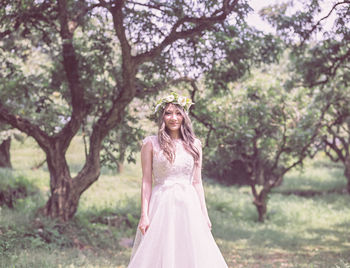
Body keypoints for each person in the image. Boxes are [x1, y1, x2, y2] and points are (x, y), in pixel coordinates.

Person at [128, 92, 228, 268]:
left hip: (188, 204)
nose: (173, 118)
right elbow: (146, 181)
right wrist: (144, 215)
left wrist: (204, 214)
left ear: (184, 115)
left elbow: (197, 182)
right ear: (162, 116)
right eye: (168, 113)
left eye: (178, 113)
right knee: (160, 251)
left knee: (190, 251)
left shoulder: (194, 144)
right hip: (161, 204)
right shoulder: (150, 144)